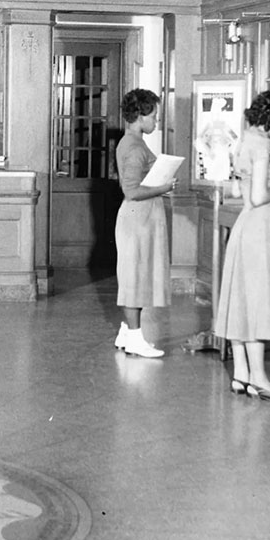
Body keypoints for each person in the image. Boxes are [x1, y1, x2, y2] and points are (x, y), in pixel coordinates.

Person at [213, 90, 270, 401]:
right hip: (262, 227)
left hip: (246, 227)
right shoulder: (263, 145)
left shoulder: (246, 139)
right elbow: (258, 197)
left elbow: (239, 190)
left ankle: (242, 375)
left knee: (242, 302)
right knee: (257, 304)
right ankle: (260, 378)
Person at [113, 88, 176, 359]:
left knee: (134, 276)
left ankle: (127, 332)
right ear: (140, 116)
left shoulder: (130, 142)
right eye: (155, 116)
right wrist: (164, 186)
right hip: (137, 220)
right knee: (135, 279)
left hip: (138, 219)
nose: (157, 121)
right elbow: (131, 191)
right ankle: (136, 338)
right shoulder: (135, 147)